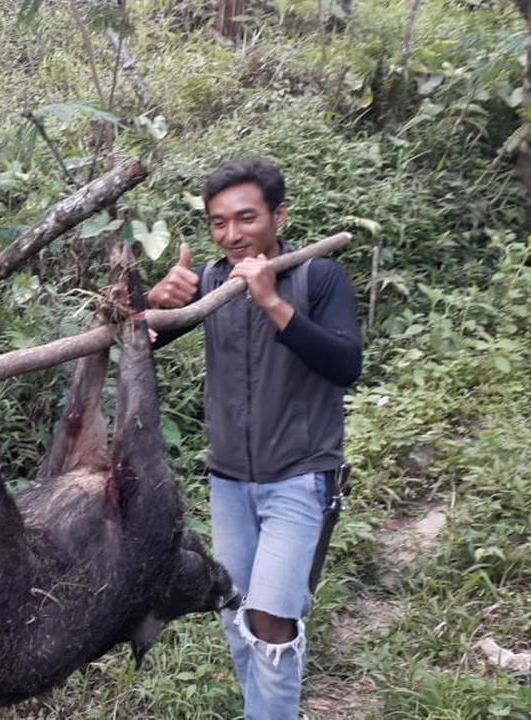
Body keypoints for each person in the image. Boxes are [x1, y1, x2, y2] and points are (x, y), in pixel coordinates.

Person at [145, 158, 361, 719]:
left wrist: (272, 302)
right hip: (229, 482)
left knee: (271, 620)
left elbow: (346, 364)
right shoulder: (211, 283)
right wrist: (157, 305)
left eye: (247, 218)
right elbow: (139, 348)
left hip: (300, 476)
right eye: (219, 223)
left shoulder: (317, 277)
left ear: (278, 216)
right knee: (237, 611)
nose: (232, 234)